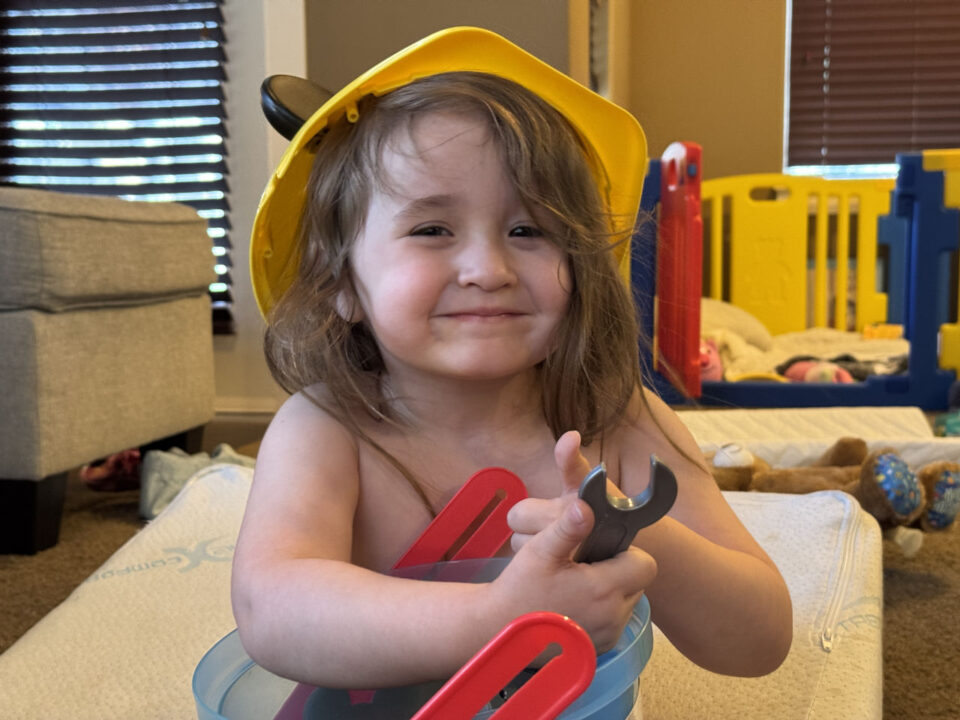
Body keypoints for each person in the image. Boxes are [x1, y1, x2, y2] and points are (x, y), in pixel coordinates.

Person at [232, 27, 792, 697]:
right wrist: (497, 619)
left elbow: (762, 640)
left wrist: (642, 537)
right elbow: (272, 611)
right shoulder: (325, 427)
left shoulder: (615, 418)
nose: (488, 269)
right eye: (431, 229)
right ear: (343, 282)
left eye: (529, 230)